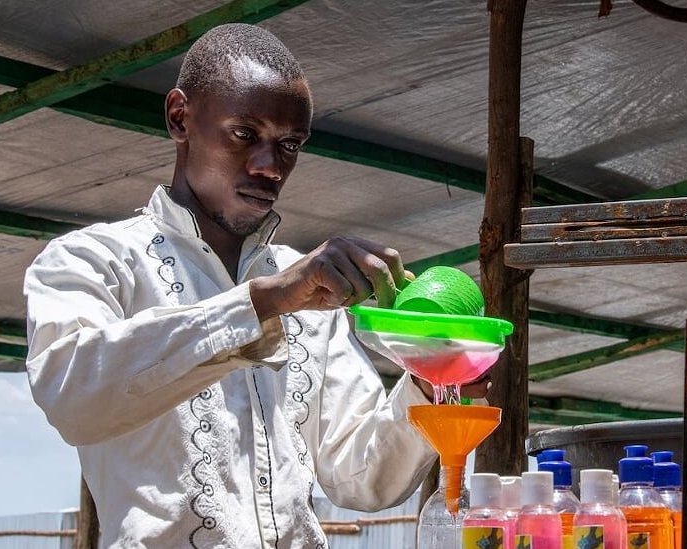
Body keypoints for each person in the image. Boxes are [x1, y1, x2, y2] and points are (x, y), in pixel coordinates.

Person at [24, 23, 488, 548]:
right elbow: (72, 396)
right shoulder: (94, 260)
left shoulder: (309, 289)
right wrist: (264, 302)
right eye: (245, 134)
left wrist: (431, 382)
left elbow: (361, 478)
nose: (270, 167)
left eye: (290, 144)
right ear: (180, 118)